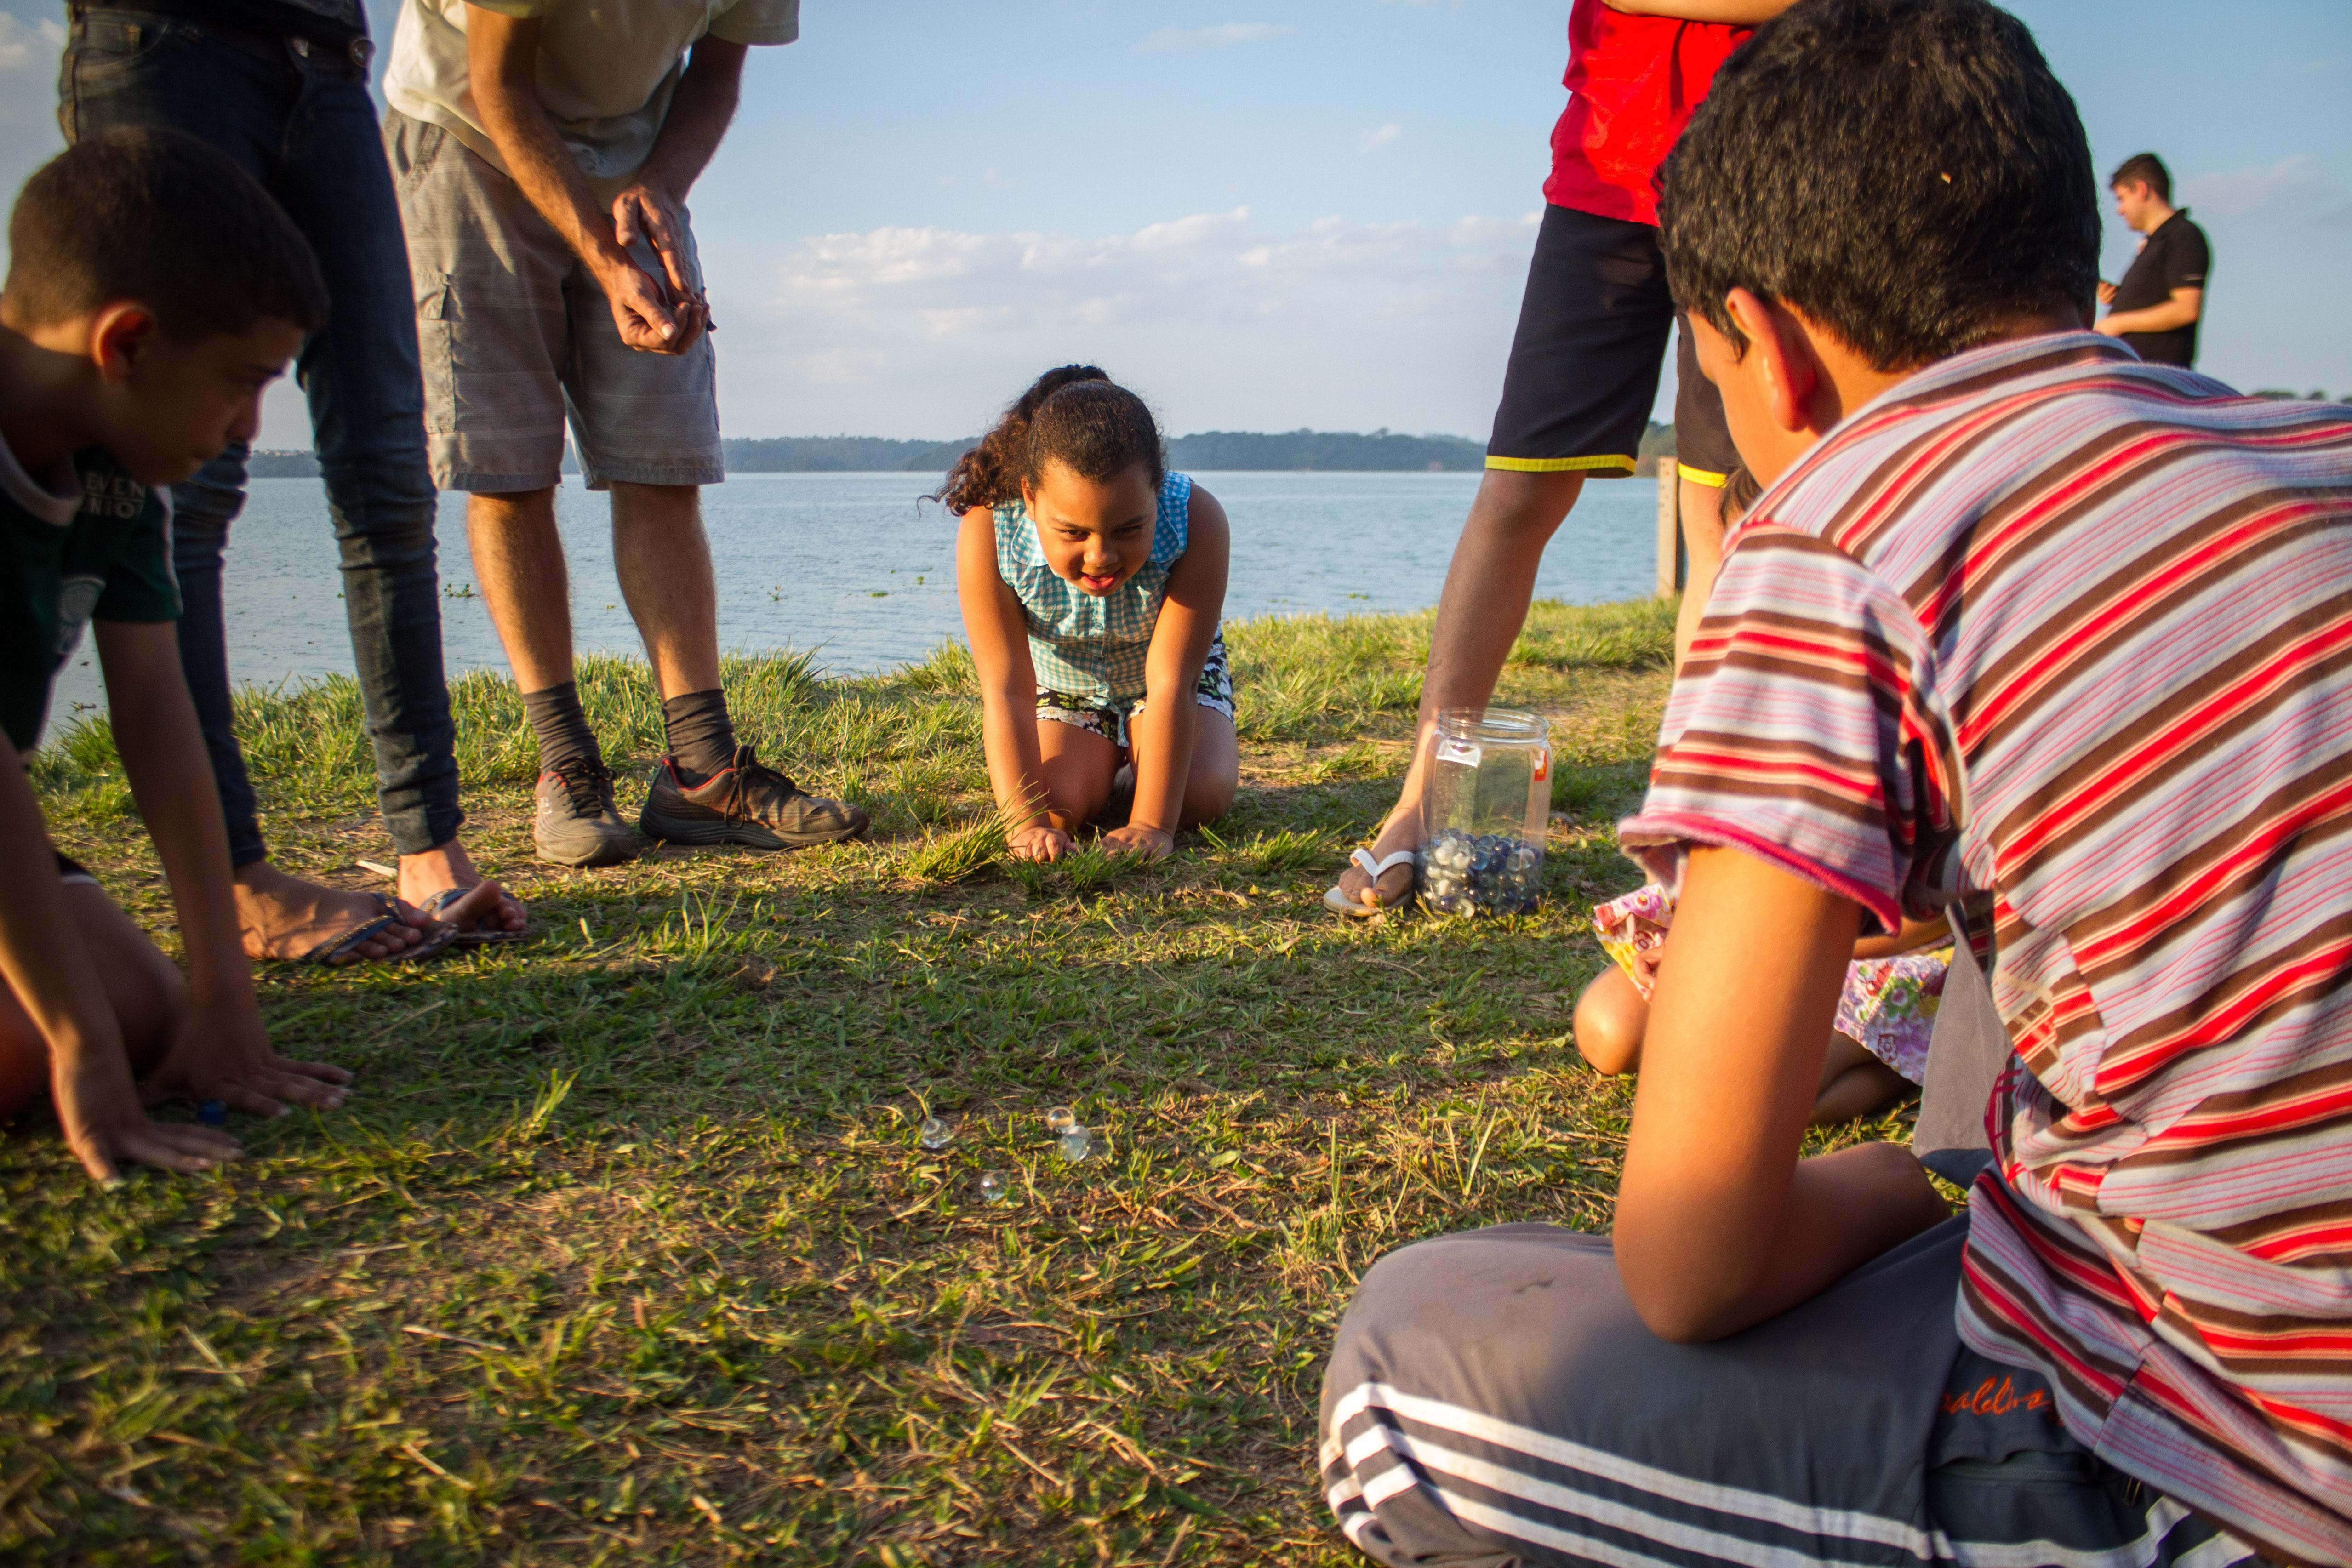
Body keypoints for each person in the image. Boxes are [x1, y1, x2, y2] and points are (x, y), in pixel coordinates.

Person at [1319, 3, 2352, 1565]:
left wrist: (1899, 1183)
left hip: (2243, 1453)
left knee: (1399, 1362)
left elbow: (1692, 1263)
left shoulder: (1837, 527)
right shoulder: (2309, 443)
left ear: (1770, 348)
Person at [55, 0, 526, 961]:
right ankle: (236, 879)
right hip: (162, 41)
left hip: (329, 57)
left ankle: (429, 845)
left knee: (391, 470)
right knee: (192, 482)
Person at [1324, 0, 1793, 918]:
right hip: (1604, 180)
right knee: (1516, 494)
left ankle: (1693, 829)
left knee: (1720, 523)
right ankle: (1419, 802)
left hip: (1761, 169)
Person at [382, 0, 866, 867]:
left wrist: (662, 188)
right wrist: (602, 260)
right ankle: (566, 766)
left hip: (631, 149)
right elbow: (498, 81)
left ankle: (702, 773)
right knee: (510, 464)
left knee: (662, 453)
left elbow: (717, 74)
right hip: (471, 137)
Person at [1, 131, 356, 1181]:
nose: (249, 427)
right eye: (241, 382)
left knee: (158, 1017)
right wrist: (80, 1047)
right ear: (128, 344)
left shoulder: (115, 474)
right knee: (39, 1047)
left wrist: (220, 992)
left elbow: (156, 710)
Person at [945, 368, 1236, 863]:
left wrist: (1151, 824)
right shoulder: (989, 530)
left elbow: (1171, 683)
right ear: (1032, 499)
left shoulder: (1196, 518)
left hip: (1162, 683)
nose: (1101, 556)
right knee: (1057, 810)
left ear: (1156, 491)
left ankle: (1133, 769)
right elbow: (1007, 687)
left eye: (1128, 529)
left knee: (1199, 796)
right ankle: (1111, 761)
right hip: (1066, 686)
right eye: (1073, 533)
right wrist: (1025, 825)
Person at [2095, 152, 2210, 367]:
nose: (2119, 210)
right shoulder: (2154, 243)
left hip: (2160, 378)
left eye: (2122, 199)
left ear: (2141, 189)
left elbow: (2187, 309)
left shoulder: (2183, 236)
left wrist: (2117, 322)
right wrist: (2119, 298)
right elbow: (2158, 299)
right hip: (2137, 375)